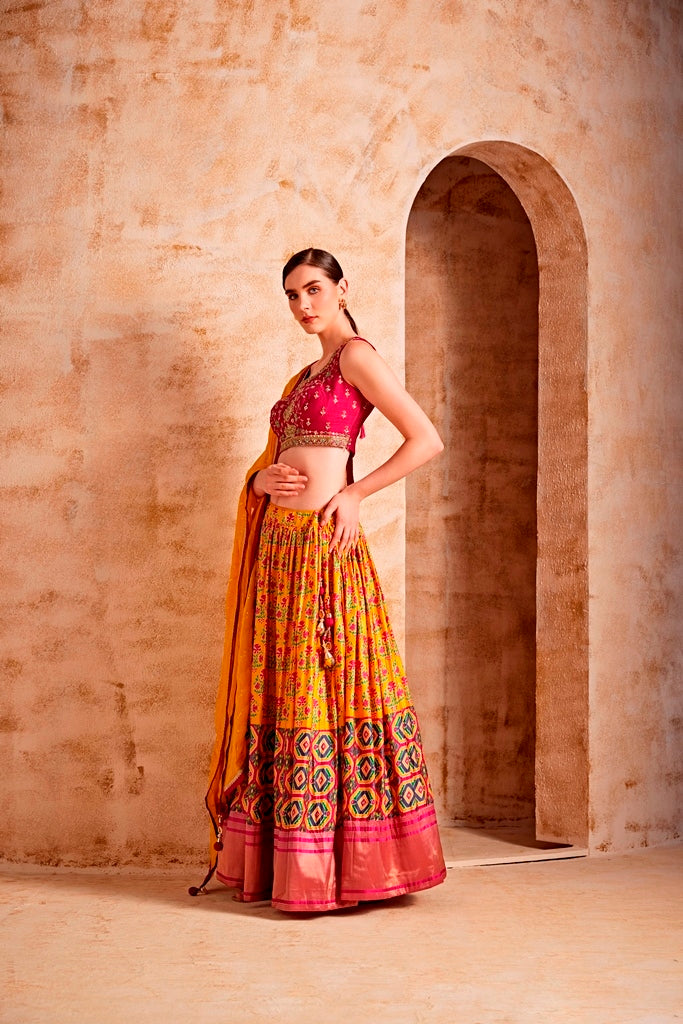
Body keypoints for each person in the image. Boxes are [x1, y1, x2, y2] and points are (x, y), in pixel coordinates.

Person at [190, 248, 447, 912]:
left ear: (341, 289)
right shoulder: (301, 375)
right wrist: (258, 480)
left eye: (312, 289)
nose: (302, 304)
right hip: (279, 552)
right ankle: (285, 865)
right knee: (284, 697)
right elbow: (274, 462)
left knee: (327, 693)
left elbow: (425, 439)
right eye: (291, 295)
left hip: (323, 550)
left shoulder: (354, 357)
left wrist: (356, 493)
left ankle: (341, 869)